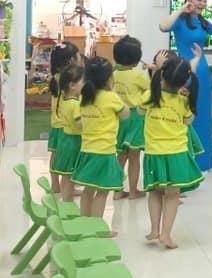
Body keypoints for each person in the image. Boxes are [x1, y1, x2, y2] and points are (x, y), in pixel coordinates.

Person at [159, 0, 212, 172]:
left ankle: (202, 163)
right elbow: (163, 26)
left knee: (201, 115)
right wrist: (182, 9)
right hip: (182, 71)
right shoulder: (180, 21)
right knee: (184, 114)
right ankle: (184, 161)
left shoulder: (203, 23)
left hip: (202, 71)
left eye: (205, 0)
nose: (203, 3)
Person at [141, 54, 203, 249]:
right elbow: (189, 120)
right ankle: (166, 235)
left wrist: (156, 76)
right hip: (177, 154)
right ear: (183, 82)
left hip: (153, 153)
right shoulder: (183, 101)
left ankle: (154, 230)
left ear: (162, 75)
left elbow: (140, 111)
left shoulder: (150, 96)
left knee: (155, 191)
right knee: (172, 195)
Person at [72, 57, 129, 223]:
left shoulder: (84, 97)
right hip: (104, 152)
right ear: (109, 78)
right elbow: (126, 114)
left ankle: (84, 222)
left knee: (88, 190)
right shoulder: (111, 97)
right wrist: (114, 92)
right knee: (102, 191)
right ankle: (97, 228)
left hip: (86, 150)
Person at [112, 35, 149, 200]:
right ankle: (133, 191)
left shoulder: (113, 74)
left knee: (120, 155)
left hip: (118, 117)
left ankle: (117, 190)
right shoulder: (138, 75)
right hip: (135, 117)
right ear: (136, 59)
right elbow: (151, 89)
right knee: (134, 156)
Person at [48, 42, 80, 194]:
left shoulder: (56, 77)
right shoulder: (68, 80)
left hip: (56, 123)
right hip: (64, 124)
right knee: (67, 158)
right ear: (71, 60)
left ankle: (55, 185)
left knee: (55, 154)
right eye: (77, 56)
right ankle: (68, 187)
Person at [50, 63, 85, 202]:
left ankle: (66, 200)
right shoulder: (75, 104)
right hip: (73, 142)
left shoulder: (65, 101)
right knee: (70, 175)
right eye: (83, 81)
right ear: (72, 85)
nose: (85, 84)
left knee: (66, 175)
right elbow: (79, 123)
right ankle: (68, 202)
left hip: (65, 139)